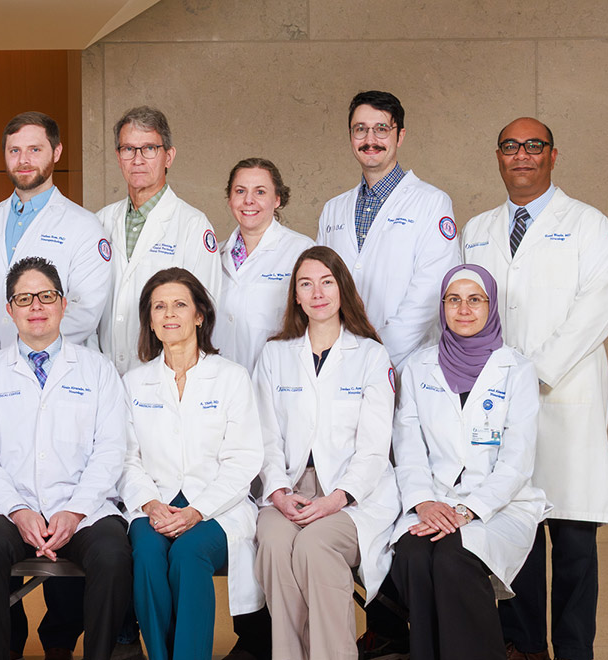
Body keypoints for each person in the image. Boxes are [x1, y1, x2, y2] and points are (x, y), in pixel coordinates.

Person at [462, 117, 608, 660]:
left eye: (534, 145)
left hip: (564, 396)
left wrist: (532, 373)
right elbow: (464, 308)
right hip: (499, 402)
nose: (522, 155)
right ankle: (524, 645)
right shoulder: (478, 229)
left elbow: (596, 312)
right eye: (510, 146)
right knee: (515, 532)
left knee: (574, 539)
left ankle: (575, 650)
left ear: (553, 155)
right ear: (498, 157)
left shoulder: (588, 225)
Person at [0, 257, 132, 660]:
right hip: (7, 508)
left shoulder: (98, 370)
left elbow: (111, 450)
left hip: (82, 508)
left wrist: (74, 511)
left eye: (46, 296)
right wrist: (18, 510)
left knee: (113, 556)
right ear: (9, 310)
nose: (36, 306)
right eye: (24, 299)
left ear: (63, 303)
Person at [390, 265, 552, 660]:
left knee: (453, 557)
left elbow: (517, 462)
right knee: (412, 555)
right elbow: (407, 448)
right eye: (454, 300)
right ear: (442, 306)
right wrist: (424, 503)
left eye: (475, 299)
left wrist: (468, 509)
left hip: (498, 504)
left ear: (491, 305)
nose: (464, 309)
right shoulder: (418, 367)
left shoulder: (517, 369)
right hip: (432, 501)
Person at [252, 246, 401, 660]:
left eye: (327, 282)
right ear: (295, 296)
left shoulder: (371, 356)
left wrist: (335, 500)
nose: (317, 293)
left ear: (342, 289)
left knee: (315, 545)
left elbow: (374, 450)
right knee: (275, 544)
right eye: (306, 284)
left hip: (353, 495)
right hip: (289, 488)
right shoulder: (275, 355)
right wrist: (279, 493)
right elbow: (264, 438)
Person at [119, 267, 264, 660]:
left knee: (188, 554)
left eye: (180, 305)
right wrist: (151, 504)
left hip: (218, 508)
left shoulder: (231, 378)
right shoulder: (134, 383)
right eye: (159, 307)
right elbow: (126, 457)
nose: (169, 314)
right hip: (155, 504)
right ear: (150, 320)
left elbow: (244, 459)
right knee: (147, 555)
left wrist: (197, 510)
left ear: (200, 315)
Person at [314, 91, 461, 365]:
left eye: (381, 129)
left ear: (400, 136)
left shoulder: (431, 202)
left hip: (407, 361)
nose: (370, 140)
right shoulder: (333, 209)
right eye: (360, 129)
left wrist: (378, 355)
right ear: (350, 136)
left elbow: (431, 291)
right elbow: (320, 286)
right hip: (342, 360)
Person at [0, 112, 111, 360]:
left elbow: (84, 310)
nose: (23, 160)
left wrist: (26, 357)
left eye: (35, 150)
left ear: (56, 152)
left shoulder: (85, 226)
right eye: (14, 151)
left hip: (54, 366)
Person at [97, 105, 223, 375]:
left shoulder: (193, 225)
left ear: (169, 156)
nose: (137, 159)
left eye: (149, 148)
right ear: (118, 157)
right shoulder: (100, 221)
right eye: (128, 149)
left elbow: (205, 312)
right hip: (104, 373)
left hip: (165, 376)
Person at [212, 158, 312, 371]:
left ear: (277, 199)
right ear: (230, 199)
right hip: (219, 381)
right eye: (240, 191)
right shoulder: (213, 255)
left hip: (275, 379)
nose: (248, 200)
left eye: (260, 192)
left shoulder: (301, 251)